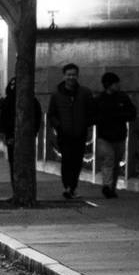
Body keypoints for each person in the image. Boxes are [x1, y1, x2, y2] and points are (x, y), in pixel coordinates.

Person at [47, 63, 94, 199]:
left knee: (77, 161)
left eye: (73, 74)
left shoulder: (85, 93)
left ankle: (72, 187)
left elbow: (91, 111)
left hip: (80, 133)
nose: (71, 77)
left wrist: (86, 124)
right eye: (69, 75)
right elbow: (52, 114)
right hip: (64, 134)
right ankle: (67, 186)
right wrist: (59, 126)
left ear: (77, 76)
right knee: (67, 160)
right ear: (64, 76)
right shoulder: (56, 95)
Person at [91, 72, 137, 198]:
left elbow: (132, 112)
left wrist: (120, 116)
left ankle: (112, 187)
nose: (118, 85)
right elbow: (93, 116)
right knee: (108, 159)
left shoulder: (123, 98)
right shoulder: (100, 100)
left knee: (115, 162)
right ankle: (107, 185)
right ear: (109, 85)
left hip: (119, 135)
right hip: (104, 136)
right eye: (115, 83)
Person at [0, 77, 43, 181]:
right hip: (12, 136)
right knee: (14, 162)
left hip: (26, 135)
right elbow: (3, 119)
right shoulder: (7, 101)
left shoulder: (32, 100)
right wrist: (7, 134)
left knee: (25, 161)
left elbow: (37, 116)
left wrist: (34, 132)